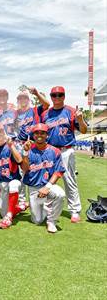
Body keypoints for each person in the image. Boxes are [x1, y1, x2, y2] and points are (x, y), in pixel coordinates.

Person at [41, 86, 87, 223]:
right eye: (54, 95)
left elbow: (84, 130)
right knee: (46, 180)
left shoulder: (71, 111)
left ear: (64, 96)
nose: (57, 97)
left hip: (66, 150)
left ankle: (74, 210)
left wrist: (80, 119)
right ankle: (47, 208)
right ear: (51, 97)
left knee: (70, 180)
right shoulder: (45, 114)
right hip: (50, 151)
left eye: (60, 95)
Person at [21, 123, 66, 233]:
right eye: (36, 133)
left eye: (42, 133)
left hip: (48, 186)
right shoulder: (28, 149)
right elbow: (25, 169)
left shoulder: (55, 151)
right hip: (34, 189)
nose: (39, 135)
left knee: (60, 194)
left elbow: (58, 172)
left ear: (47, 135)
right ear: (33, 135)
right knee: (37, 220)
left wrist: (47, 187)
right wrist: (25, 153)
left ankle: (52, 221)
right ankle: (44, 206)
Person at [0, 124, 25, 229]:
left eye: (0, 132)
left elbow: (19, 160)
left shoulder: (10, 146)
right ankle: (20, 207)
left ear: (4, 133)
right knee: (3, 213)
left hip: (13, 181)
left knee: (14, 185)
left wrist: (11, 146)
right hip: (1, 184)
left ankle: (9, 217)